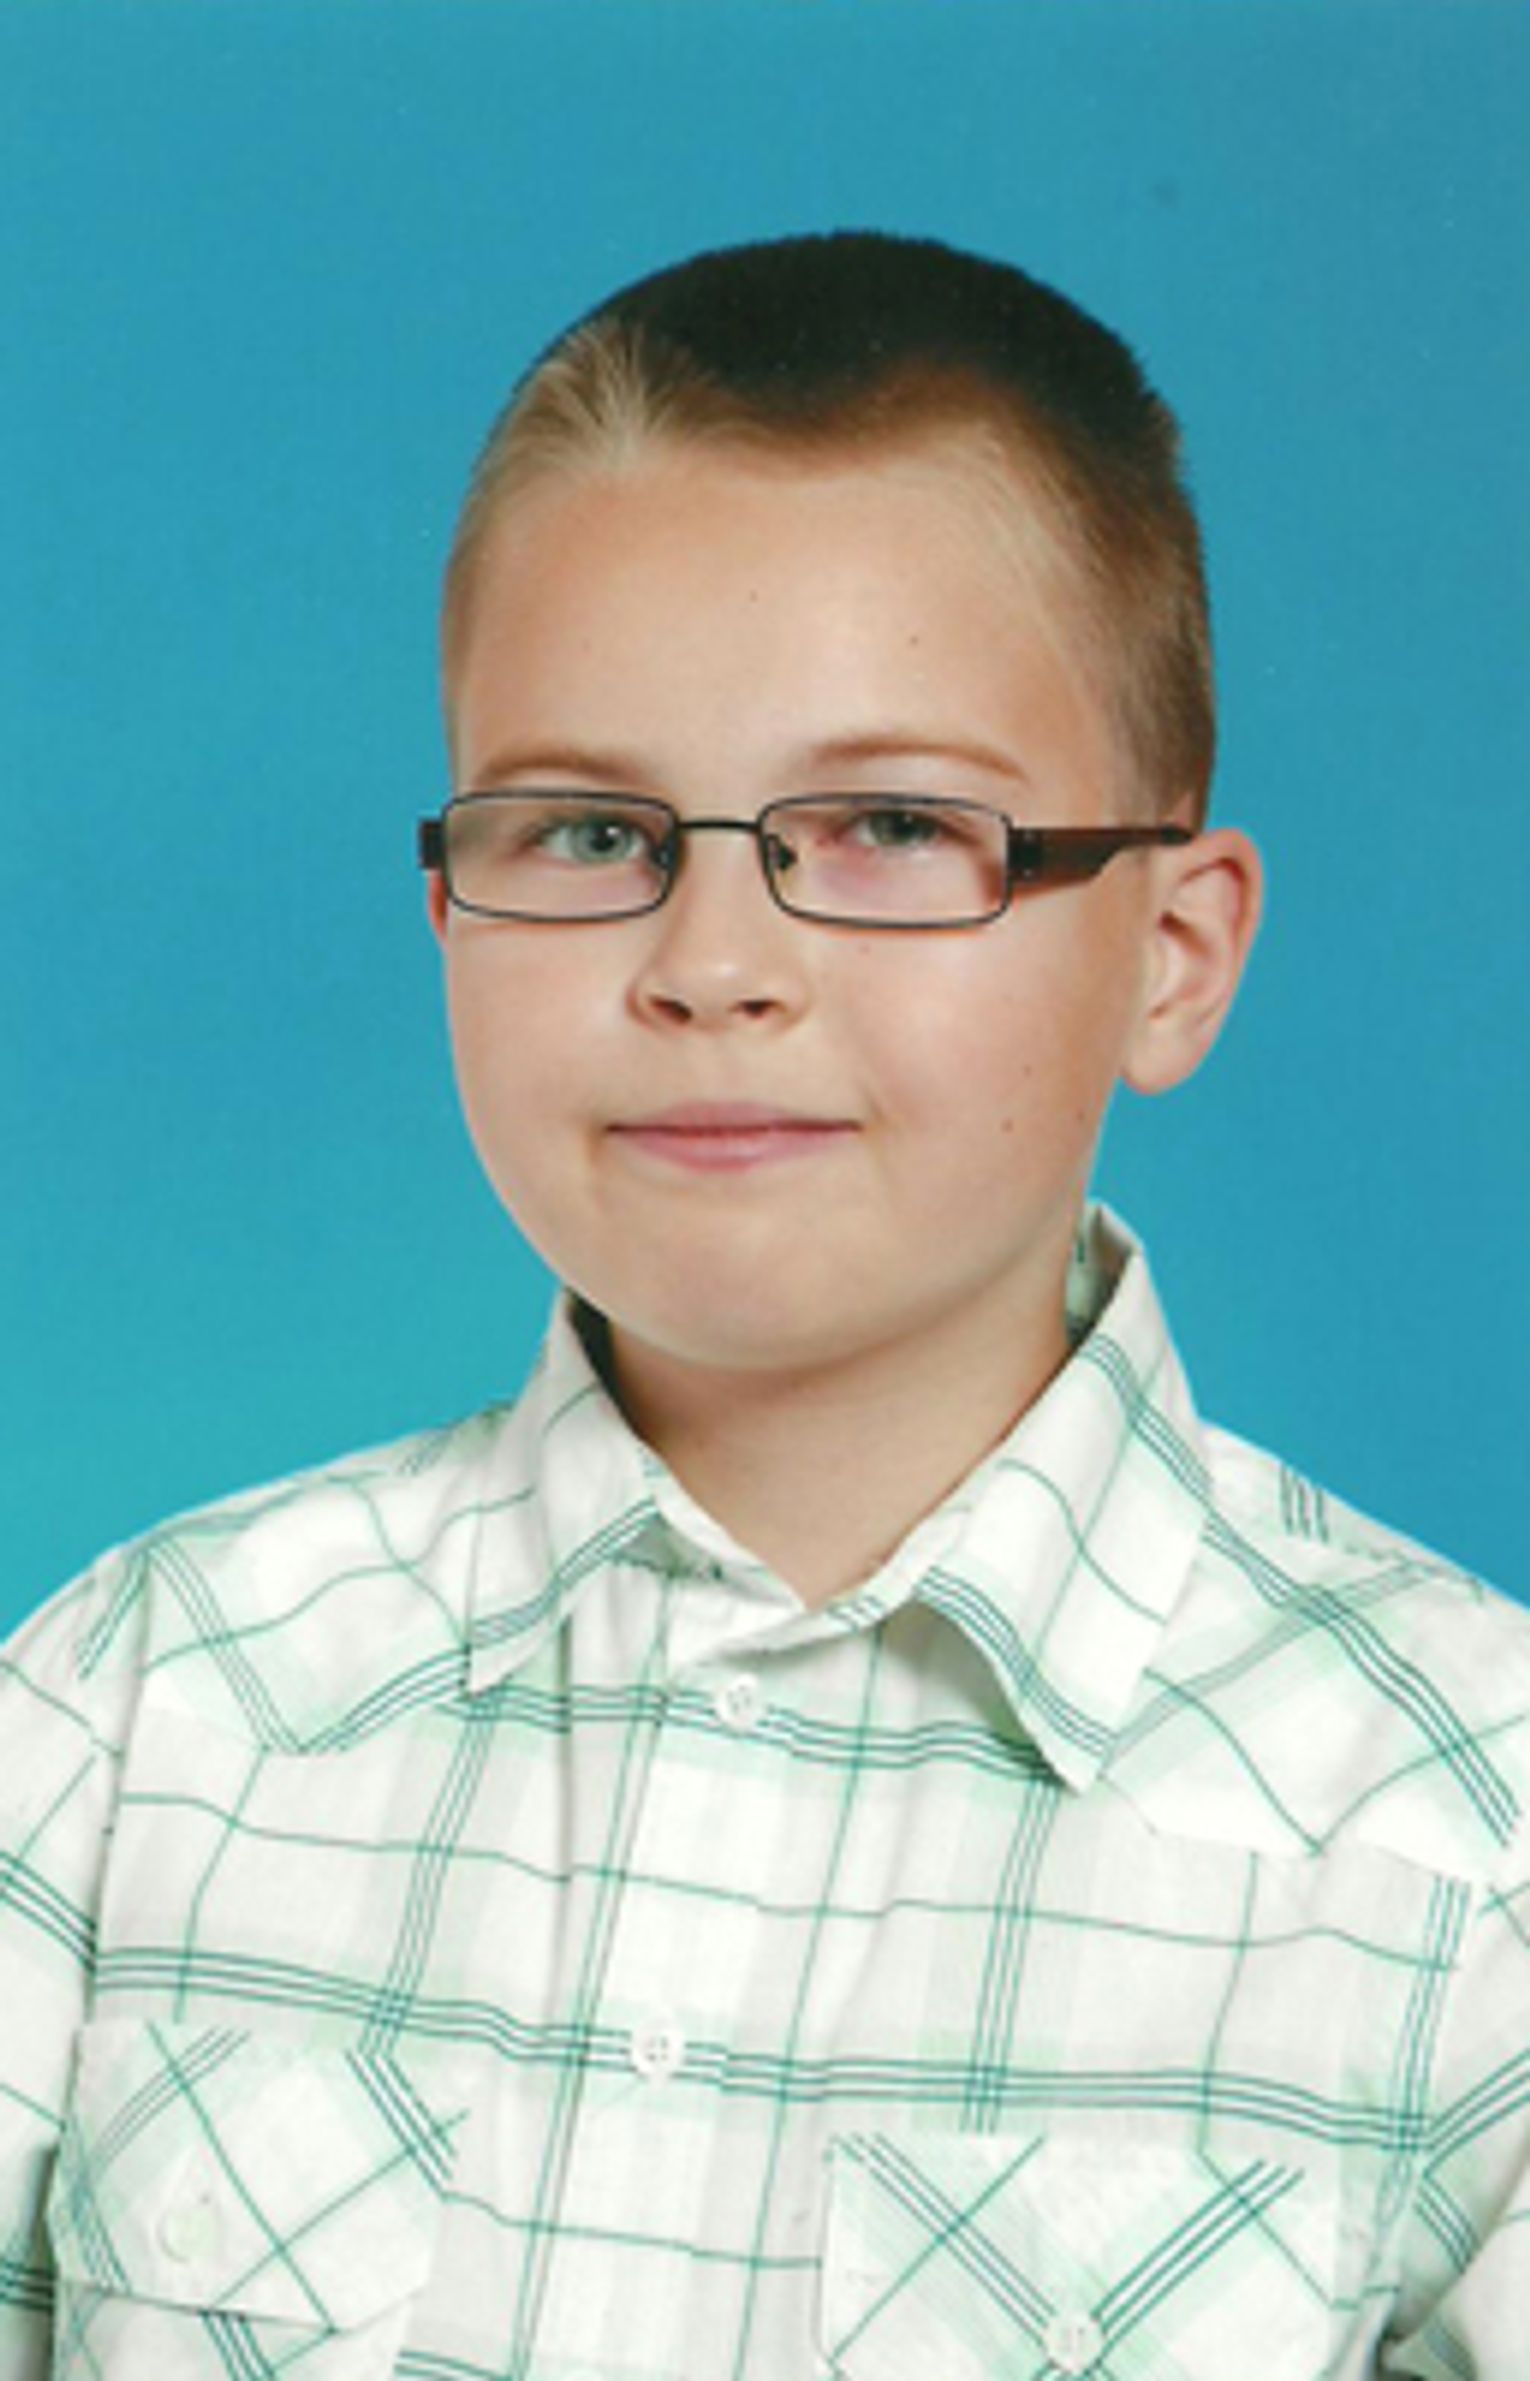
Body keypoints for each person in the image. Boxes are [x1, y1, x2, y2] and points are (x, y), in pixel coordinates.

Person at [1, 231, 1525, 2381]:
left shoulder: (1465, 1847)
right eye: (585, 830)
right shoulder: (135, 1723)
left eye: (892, 824)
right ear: (444, 904)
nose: (713, 962)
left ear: (1171, 953)